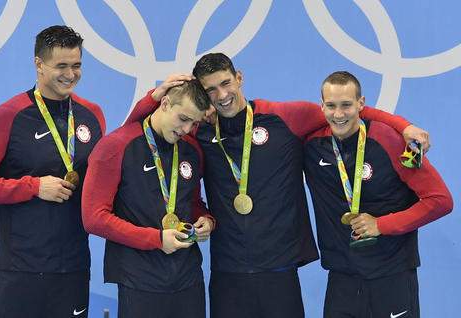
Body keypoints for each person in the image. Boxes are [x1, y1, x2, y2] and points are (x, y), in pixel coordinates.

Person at [125, 53, 429, 318]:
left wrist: (403, 126)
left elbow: (346, 114)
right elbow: (133, 133)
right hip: (228, 273)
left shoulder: (284, 117)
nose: (222, 95)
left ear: (239, 78)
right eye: (211, 89)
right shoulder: (198, 132)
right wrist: (156, 95)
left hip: (280, 272)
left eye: (226, 83)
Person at [0, 25, 105, 318]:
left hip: (74, 268)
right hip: (21, 270)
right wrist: (33, 187)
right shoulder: (7, 116)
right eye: (61, 65)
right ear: (39, 64)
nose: (70, 74)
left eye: (76, 65)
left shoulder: (92, 114)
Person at [304, 71, 453, 318]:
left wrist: (381, 225)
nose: (338, 114)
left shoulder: (395, 141)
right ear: (322, 106)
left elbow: (440, 200)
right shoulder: (310, 144)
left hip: (392, 273)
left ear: (361, 104)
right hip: (342, 278)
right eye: (331, 106)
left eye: (347, 105)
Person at [82, 79, 215, 318]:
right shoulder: (115, 146)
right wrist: (155, 239)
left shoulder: (191, 150)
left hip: (188, 278)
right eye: (183, 119)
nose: (186, 129)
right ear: (164, 103)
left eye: (193, 123)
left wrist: (205, 219)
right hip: (139, 279)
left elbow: (192, 202)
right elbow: (93, 218)